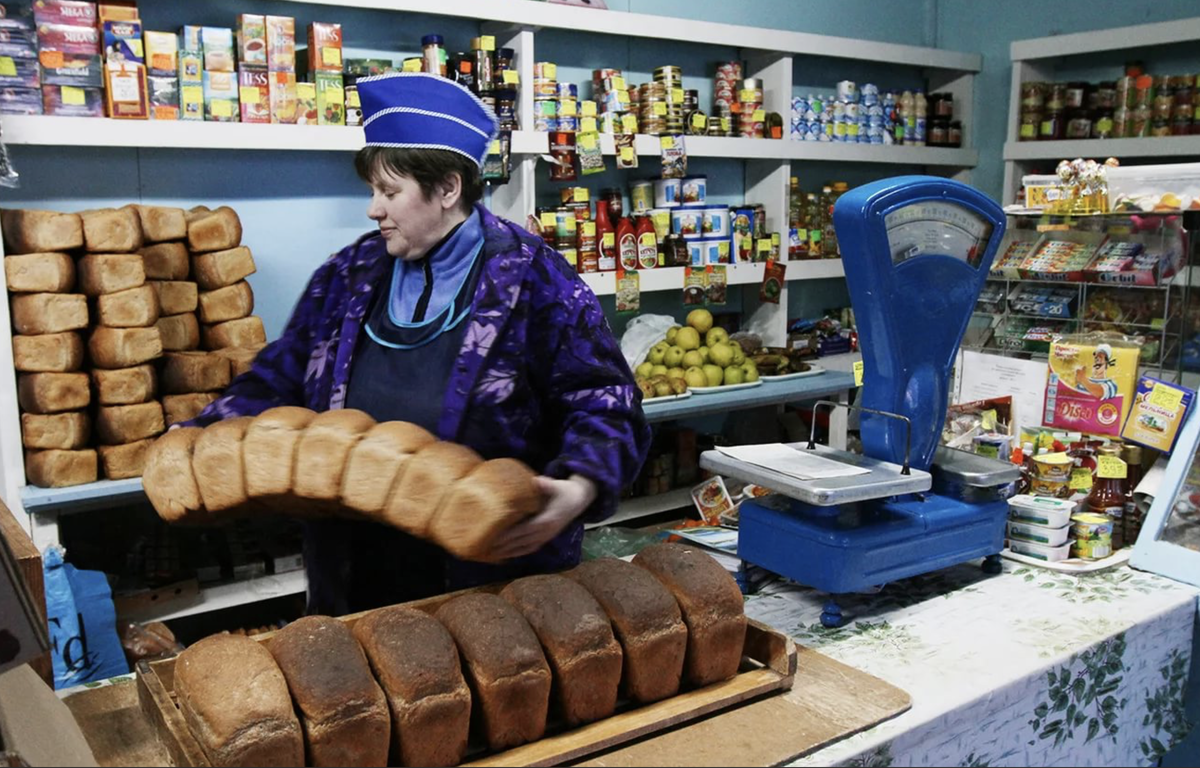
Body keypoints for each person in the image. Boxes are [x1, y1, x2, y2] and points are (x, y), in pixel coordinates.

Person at [187, 72, 651, 615]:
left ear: (448, 188)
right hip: (354, 581)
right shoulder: (347, 275)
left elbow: (604, 400)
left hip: (492, 584)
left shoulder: (535, 281)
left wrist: (578, 486)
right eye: (372, 191)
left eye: (389, 192)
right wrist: (198, 440)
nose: (373, 209)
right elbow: (276, 379)